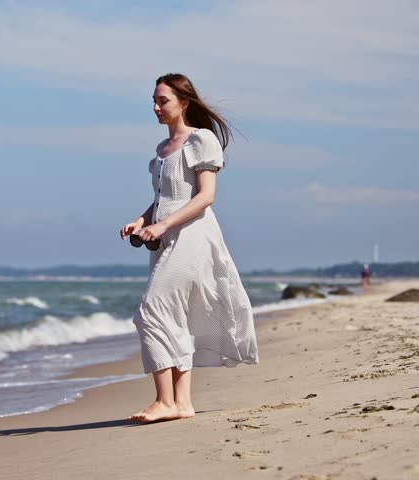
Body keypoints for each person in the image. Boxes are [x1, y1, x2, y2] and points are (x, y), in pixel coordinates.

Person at [119, 73, 259, 423]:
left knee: (151, 310)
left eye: (162, 100)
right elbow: (163, 199)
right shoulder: (162, 151)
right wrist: (141, 220)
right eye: (153, 101)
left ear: (184, 102)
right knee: (173, 316)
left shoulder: (201, 140)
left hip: (192, 236)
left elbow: (205, 197)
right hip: (163, 239)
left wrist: (163, 224)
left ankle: (163, 401)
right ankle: (182, 403)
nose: (155, 107)